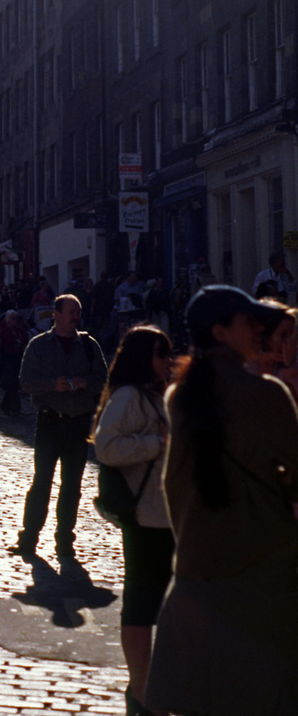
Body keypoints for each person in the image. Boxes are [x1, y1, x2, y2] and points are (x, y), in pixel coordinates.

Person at [146, 285, 298, 716]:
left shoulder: (181, 397)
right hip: (260, 577)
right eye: (245, 321)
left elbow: (175, 484)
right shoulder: (267, 395)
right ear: (221, 332)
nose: (255, 328)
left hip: (196, 575)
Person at [93, 327, 172, 716]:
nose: (168, 360)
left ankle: (151, 689)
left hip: (167, 517)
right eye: (161, 353)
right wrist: (155, 444)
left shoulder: (155, 395)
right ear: (144, 356)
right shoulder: (128, 397)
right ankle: (139, 692)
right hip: (145, 517)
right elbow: (106, 446)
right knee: (141, 603)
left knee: (166, 605)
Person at [13, 294, 107, 559]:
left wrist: (86, 383)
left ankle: (65, 541)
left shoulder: (89, 346)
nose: (75, 316)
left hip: (79, 424)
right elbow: (26, 381)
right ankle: (28, 538)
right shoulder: (39, 345)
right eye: (70, 311)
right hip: (49, 422)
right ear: (56, 314)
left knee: (72, 487)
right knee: (41, 482)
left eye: (78, 311)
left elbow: (104, 379)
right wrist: (52, 384)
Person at [0, 310, 29, 415]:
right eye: (13, 319)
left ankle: (5, 406)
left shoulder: (20, 331)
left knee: (14, 384)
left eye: (16, 319)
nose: (15, 321)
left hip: (18, 359)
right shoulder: (3, 332)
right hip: (7, 360)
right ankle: (16, 408)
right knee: (11, 384)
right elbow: (0, 346)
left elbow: (25, 342)